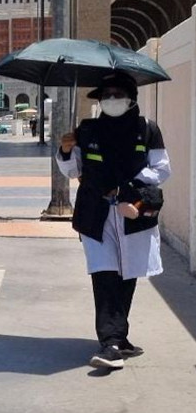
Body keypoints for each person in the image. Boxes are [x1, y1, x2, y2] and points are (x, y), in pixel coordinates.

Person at [56, 72, 171, 370]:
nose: (111, 100)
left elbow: (161, 169)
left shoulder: (147, 129)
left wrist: (128, 185)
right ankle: (110, 344)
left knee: (127, 275)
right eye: (106, 95)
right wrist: (66, 150)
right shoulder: (87, 130)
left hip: (132, 211)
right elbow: (72, 170)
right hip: (96, 214)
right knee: (104, 274)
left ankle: (119, 337)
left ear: (131, 98)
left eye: (117, 94)